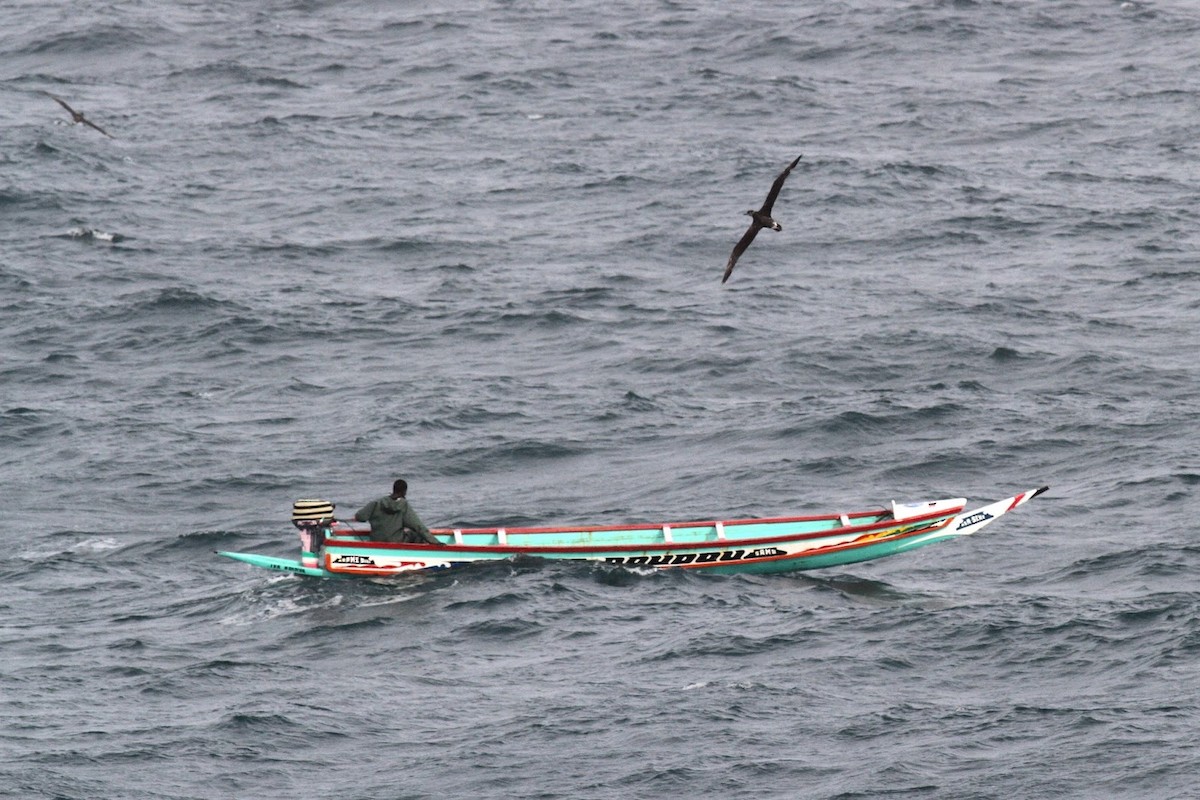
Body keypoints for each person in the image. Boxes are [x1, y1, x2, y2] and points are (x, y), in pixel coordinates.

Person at [354, 479, 447, 545]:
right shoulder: (403, 505)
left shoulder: (376, 503)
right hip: (396, 542)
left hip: (376, 541)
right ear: (404, 492)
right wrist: (435, 542)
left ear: (393, 489)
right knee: (415, 534)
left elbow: (360, 517)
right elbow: (418, 526)